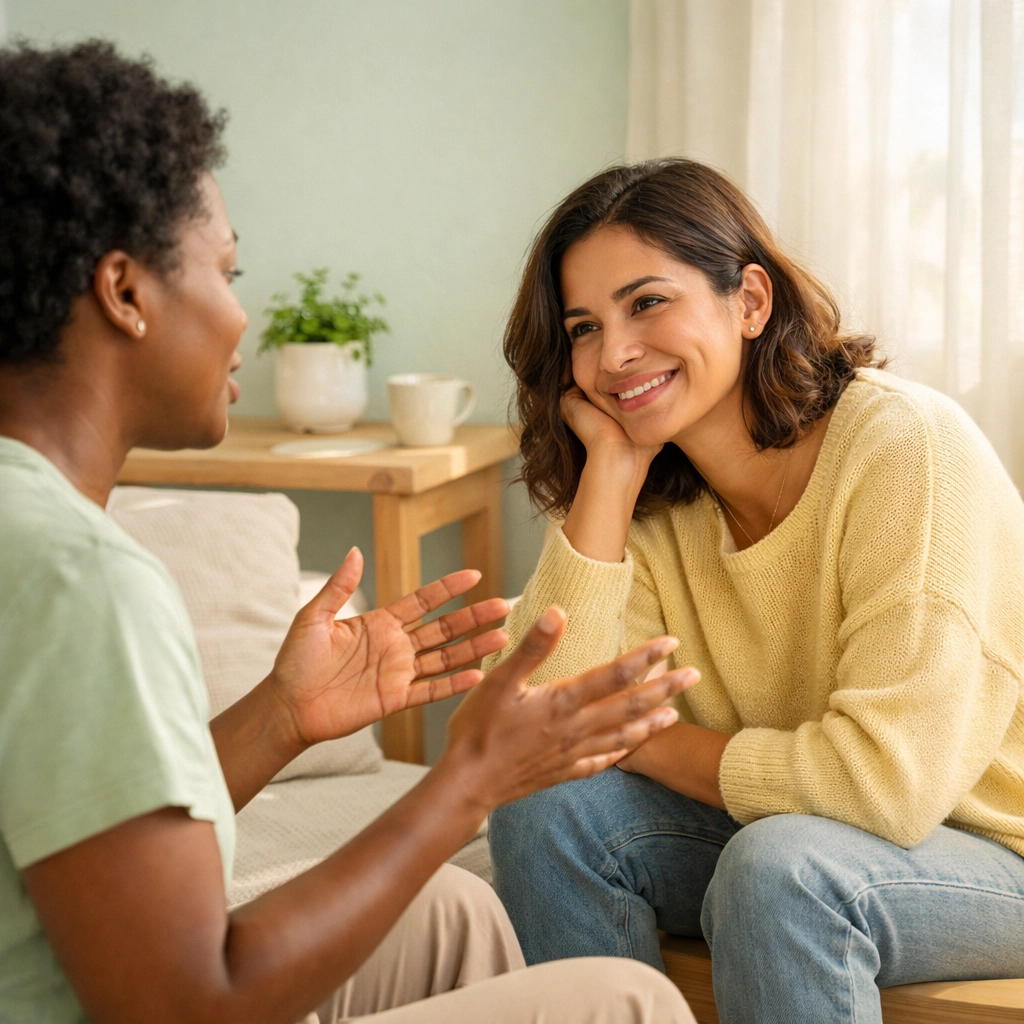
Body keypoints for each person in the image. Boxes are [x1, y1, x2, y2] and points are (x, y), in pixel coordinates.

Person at [0, 42, 700, 1024]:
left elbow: (79, 825)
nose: (244, 317)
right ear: (125, 293)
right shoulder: (81, 580)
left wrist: (278, 718)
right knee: (624, 998)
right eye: (227, 270)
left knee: (452, 911)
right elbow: (186, 1002)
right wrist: (467, 781)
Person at [484, 157, 1024, 1024]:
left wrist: (643, 743)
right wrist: (613, 475)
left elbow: (886, 785)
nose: (614, 354)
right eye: (584, 327)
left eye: (647, 302)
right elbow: (528, 735)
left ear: (751, 302)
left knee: (784, 872)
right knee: (545, 810)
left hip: (991, 850)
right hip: (791, 824)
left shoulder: (906, 450)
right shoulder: (658, 498)